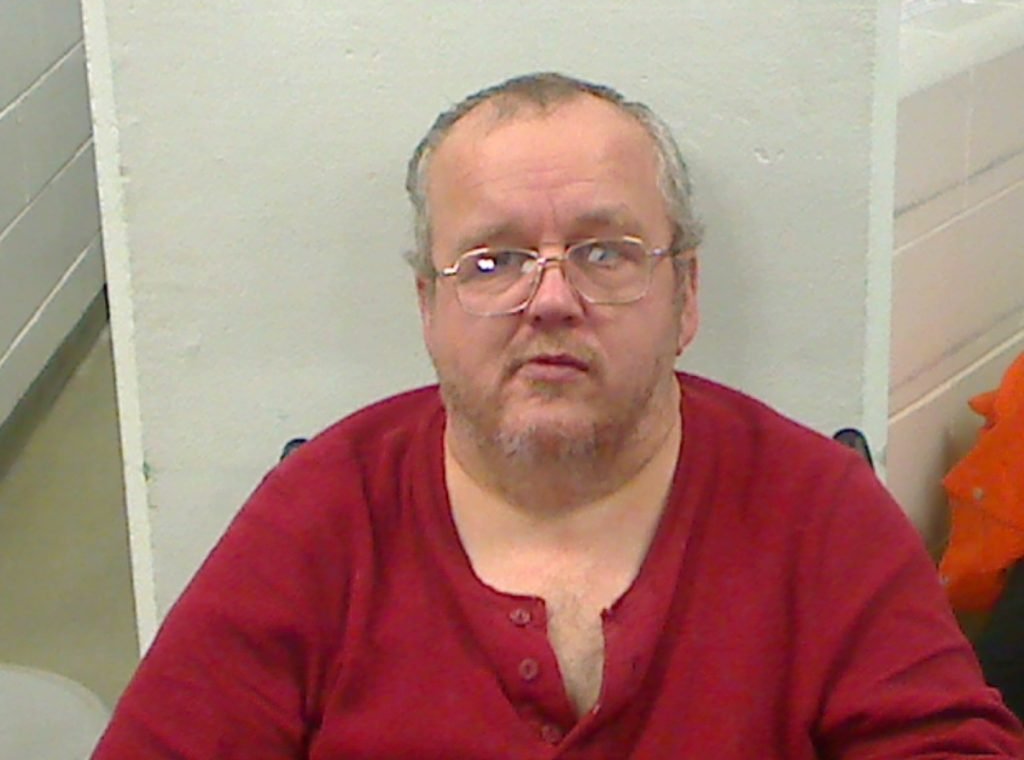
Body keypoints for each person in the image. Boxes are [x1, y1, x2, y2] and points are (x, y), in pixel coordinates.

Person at [91, 72, 1023, 758]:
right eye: (492, 261)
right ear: (428, 308)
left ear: (686, 296)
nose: (549, 301)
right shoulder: (323, 514)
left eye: (605, 252)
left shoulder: (817, 509)